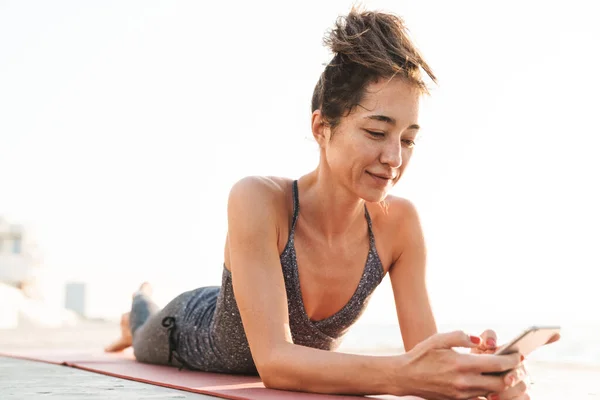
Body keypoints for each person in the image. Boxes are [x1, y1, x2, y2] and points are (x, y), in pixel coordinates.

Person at [105, 8, 559, 400]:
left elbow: (426, 354)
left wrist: (475, 374)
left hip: (245, 304)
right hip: (185, 328)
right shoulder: (259, 199)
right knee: (145, 322)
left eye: (408, 139)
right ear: (322, 128)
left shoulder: (400, 224)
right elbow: (275, 363)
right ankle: (137, 310)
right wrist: (404, 375)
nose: (394, 158)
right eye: (377, 132)